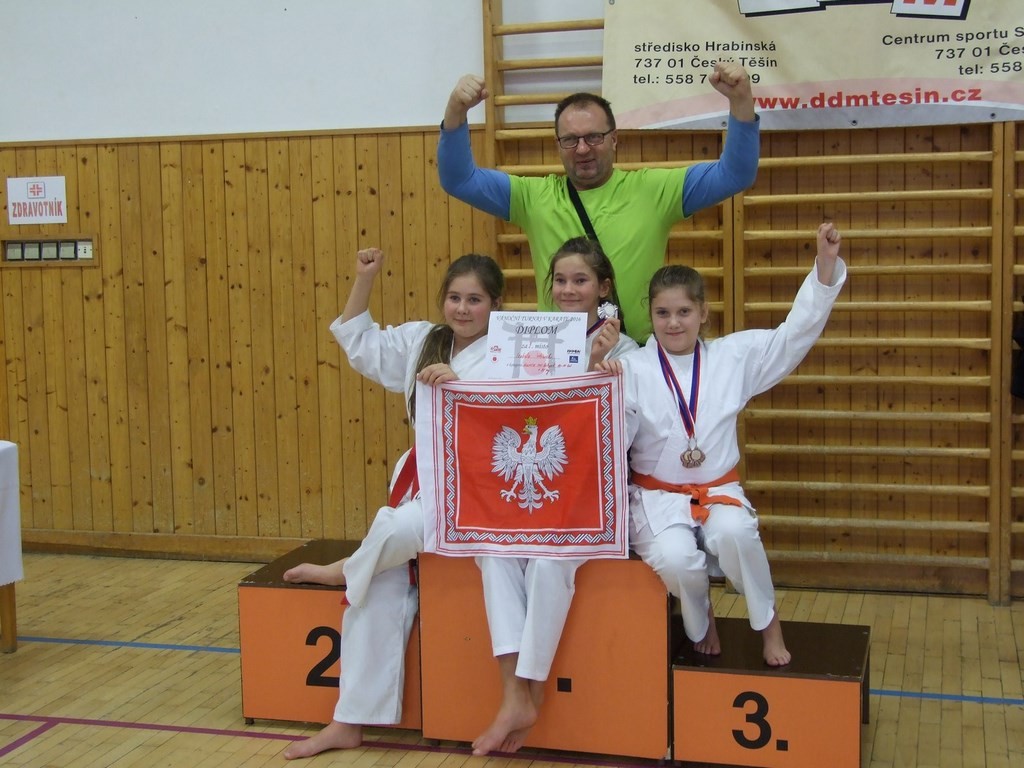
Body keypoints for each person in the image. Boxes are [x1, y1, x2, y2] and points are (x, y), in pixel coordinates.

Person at [281, 247, 505, 760]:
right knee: (376, 588)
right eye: (454, 297)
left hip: (483, 490)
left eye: (475, 299)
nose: (463, 309)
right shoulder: (423, 340)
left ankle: (347, 566)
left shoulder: (510, 352)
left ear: (496, 304)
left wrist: (463, 389)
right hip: (425, 481)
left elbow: (528, 418)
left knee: (394, 531)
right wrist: (364, 278)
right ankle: (348, 721)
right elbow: (359, 341)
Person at [597, 223, 846, 666]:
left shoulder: (733, 357)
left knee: (737, 534)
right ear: (650, 315)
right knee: (677, 561)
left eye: (684, 312)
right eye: (662, 313)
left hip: (718, 490)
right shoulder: (631, 367)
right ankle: (701, 618)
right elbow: (610, 437)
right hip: (656, 498)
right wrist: (602, 380)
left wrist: (824, 268)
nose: (673, 323)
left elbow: (794, 335)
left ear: (703, 313)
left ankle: (769, 623)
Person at [438, 61, 759, 340]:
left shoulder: (656, 190)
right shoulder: (531, 197)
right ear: (558, 145)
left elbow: (735, 175)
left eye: (594, 137)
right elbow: (458, 179)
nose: (582, 149)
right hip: (557, 358)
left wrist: (741, 103)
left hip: (633, 356)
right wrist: (455, 112)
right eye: (570, 140)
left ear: (614, 139)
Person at [471, 236, 638, 756]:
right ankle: (512, 693)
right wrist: (450, 381)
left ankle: (533, 688)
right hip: (529, 493)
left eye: (580, 280)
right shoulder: (524, 339)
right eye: (560, 280)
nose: (568, 290)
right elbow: (494, 401)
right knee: (494, 553)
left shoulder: (627, 351)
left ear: (603, 288)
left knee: (547, 562)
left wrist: (595, 366)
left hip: (589, 496)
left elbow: (620, 434)